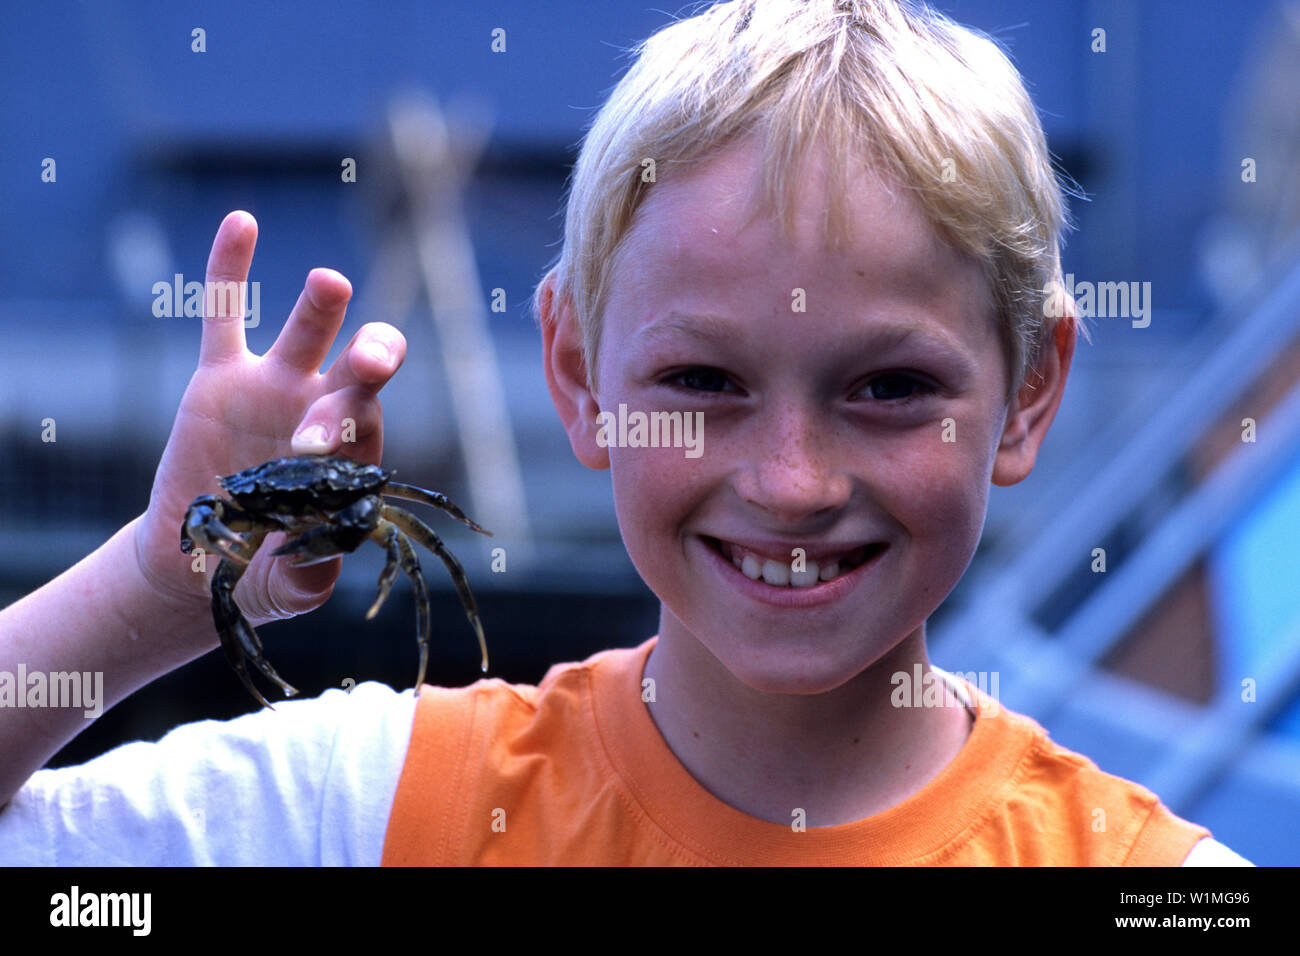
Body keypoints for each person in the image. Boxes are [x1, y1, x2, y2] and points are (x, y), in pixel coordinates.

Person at [0, 0, 1251, 865]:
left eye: (886, 389)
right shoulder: (379, 809)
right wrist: (157, 583)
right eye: (704, 379)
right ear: (576, 371)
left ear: (1029, 389)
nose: (792, 481)